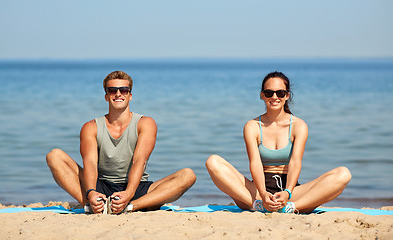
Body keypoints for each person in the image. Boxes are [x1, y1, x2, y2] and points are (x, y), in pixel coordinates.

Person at [46, 71, 196, 214]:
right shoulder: (90, 127)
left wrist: (129, 194)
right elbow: (90, 163)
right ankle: (90, 204)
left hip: (136, 187)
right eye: (112, 90)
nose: (118, 94)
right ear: (106, 96)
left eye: (123, 90)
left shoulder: (145, 123)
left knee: (188, 175)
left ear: (130, 95)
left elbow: (139, 161)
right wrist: (91, 192)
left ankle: (131, 207)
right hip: (101, 185)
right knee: (54, 156)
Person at [205, 71, 351, 213]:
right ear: (262, 95)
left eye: (280, 93)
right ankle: (257, 206)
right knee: (213, 161)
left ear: (287, 95)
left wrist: (287, 192)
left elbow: (295, 162)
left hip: (290, 193)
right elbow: (254, 163)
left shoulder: (299, 126)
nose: (275, 97)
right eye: (269, 93)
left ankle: (290, 208)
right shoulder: (252, 126)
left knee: (343, 174)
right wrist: (262, 194)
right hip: (257, 192)